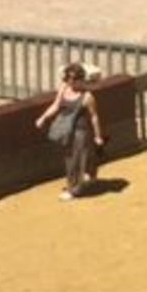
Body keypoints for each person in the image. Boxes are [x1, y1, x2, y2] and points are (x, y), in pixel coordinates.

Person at [34, 63, 105, 200]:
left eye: (73, 78)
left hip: (81, 132)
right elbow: (56, 105)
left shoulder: (87, 97)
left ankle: (74, 190)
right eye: (68, 78)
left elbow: (94, 117)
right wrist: (43, 117)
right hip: (67, 131)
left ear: (80, 79)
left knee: (75, 160)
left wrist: (97, 136)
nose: (70, 81)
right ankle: (89, 175)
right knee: (74, 158)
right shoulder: (64, 89)